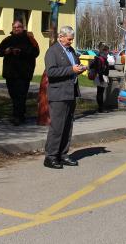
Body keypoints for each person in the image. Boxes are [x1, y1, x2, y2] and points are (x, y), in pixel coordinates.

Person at [43, 26, 86, 169]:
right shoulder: (52, 52)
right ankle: (51, 156)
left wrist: (79, 68)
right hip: (59, 94)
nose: (71, 42)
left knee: (68, 125)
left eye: (72, 39)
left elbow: (73, 67)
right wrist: (71, 69)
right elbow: (51, 72)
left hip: (70, 92)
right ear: (61, 37)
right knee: (57, 126)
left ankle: (63, 154)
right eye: (69, 39)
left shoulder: (71, 51)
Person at [0, 20, 40, 125]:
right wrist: (5, 51)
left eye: (18, 27)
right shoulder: (7, 39)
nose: (16, 29)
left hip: (24, 73)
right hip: (10, 73)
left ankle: (18, 117)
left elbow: (36, 52)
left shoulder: (30, 39)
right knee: (13, 95)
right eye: (14, 27)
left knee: (21, 95)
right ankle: (20, 114)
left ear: (23, 27)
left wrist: (21, 52)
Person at [90, 42, 113, 113]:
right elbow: (99, 70)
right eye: (107, 51)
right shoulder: (101, 58)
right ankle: (101, 108)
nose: (108, 52)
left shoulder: (100, 57)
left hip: (100, 76)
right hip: (101, 77)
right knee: (100, 93)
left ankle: (100, 107)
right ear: (104, 51)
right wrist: (101, 79)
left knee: (100, 92)